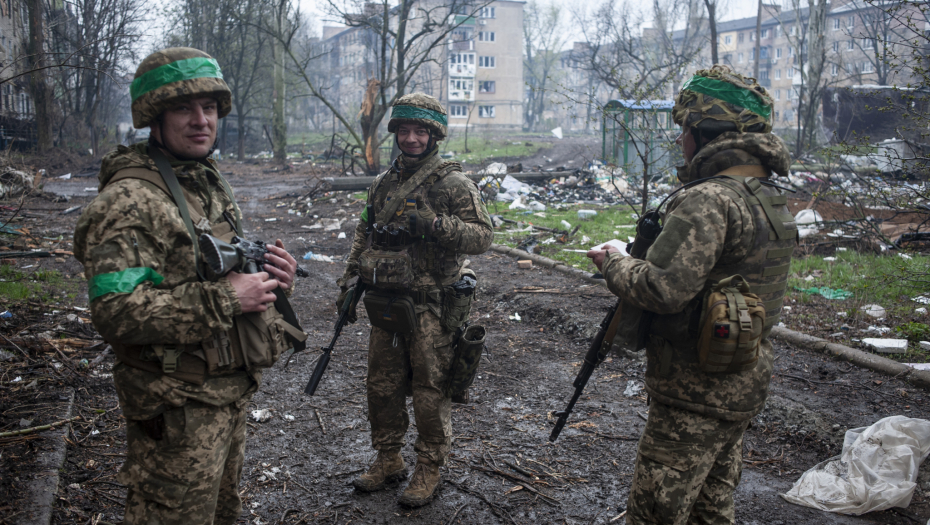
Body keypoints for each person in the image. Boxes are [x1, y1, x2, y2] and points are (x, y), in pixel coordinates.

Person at [74, 47, 304, 525]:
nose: (202, 120)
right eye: (184, 108)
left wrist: (270, 277)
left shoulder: (203, 179)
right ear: (154, 116)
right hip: (176, 407)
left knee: (223, 513)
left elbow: (213, 267)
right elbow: (116, 311)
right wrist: (228, 298)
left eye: (210, 107)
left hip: (225, 396)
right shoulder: (129, 201)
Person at [587, 65, 797, 524]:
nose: (681, 139)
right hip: (741, 377)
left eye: (685, 128)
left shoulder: (709, 198)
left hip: (693, 388)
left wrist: (614, 261)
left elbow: (662, 288)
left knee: (655, 514)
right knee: (711, 509)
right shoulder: (764, 195)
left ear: (704, 132)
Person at [337, 93, 492, 507]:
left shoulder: (453, 184)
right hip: (385, 301)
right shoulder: (383, 183)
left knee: (429, 389)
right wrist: (349, 282)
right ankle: (388, 457)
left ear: (434, 134)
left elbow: (483, 236)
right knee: (382, 385)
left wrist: (435, 224)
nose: (410, 138)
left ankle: (429, 466)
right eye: (404, 130)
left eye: (419, 131)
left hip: (432, 306)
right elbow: (364, 232)